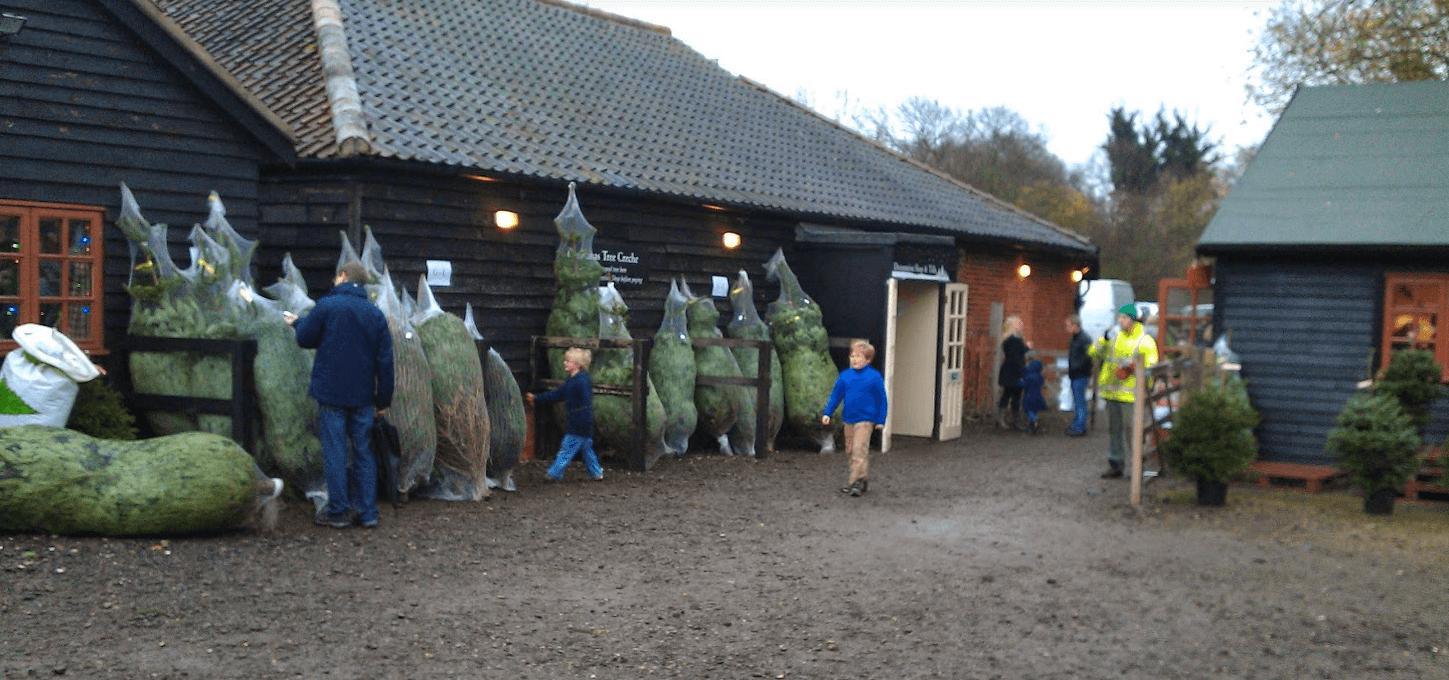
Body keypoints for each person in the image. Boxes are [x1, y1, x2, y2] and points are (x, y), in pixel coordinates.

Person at [285, 261, 394, 529]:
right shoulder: (375, 314)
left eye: (336, 277)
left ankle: (339, 511)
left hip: (331, 393)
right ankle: (368, 513)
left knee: (335, 451)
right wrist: (383, 400)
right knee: (363, 451)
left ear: (343, 276)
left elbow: (305, 339)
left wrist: (297, 323)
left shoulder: (326, 306)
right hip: (363, 396)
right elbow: (386, 362)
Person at [1088, 304, 1159, 478]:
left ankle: (1137, 468)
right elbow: (1093, 353)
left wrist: (1133, 367)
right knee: (1114, 432)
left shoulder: (1145, 341)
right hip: (1112, 393)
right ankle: (1116, 465)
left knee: (1133, 433)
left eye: (1124, 317)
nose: (1120, 321)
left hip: (1131, 395)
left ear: (1134, 320)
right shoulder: (1113, 338)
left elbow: (1152, 365)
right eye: (1119, 317)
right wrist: (1103, 339)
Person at [525, 347, 604, 482]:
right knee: (586, 449)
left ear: (577, 364)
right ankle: (596, 472)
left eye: (568, 361)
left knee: (567, 449)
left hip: (578, 422)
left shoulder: (577, 382)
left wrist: (537, 398)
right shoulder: (576, 379)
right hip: (584, 422)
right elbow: (559, 394)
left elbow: (559, 395)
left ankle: (554, 473)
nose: (565, 363)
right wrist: (538, 398)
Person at [822, 340, 888, 497]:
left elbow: (882, 400)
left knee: (859, 449)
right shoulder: (845, 376)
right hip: (849, 418)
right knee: (851, 450)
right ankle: (862, 478)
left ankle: (855, 482)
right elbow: (836, 396)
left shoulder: (874, 377)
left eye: (859, 357)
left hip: (865, 420)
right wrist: (828, 412)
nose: (854, 359)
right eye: (852, 356)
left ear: (868, 359)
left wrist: (880, 420)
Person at [996, 315, 1029, 431]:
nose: (1021, 325)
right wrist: (1021, 371)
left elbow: (1019, 352)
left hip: (1012, 371)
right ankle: (1006, 420)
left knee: (1014, 396)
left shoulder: (1014, 339)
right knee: (1009, 395)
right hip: (1013, 372)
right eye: (1019, 323)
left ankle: (1012, 421)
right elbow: (1015, 357)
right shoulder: (1011, 340)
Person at [1064, 314, 1092, 436]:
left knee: (1080, 402)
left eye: (1068, 325)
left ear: (1075, 325)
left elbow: (1086, 359)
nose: (1066, 328)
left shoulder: (1082, 339)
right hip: (1077, 374)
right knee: (1078, 401)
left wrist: (1075, 368)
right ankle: (1078, 424)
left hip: (1080, 374)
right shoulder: (1078, 338)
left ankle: (1079, 427)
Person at [1020, 352, 1047, 435]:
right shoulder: (1040, 377)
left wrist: (1016, 382)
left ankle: (1034, 421)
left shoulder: (1028, 377)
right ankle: (1034, 426)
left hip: (1029, 397)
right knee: (1034, 410)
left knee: (1028, 410)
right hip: (1038, 397)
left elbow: (1024, 384)